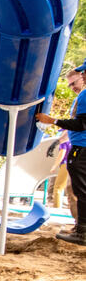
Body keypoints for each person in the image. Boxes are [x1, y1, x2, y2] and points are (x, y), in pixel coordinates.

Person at [36, 62, 86, 245]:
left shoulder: (85, 96)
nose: (83, 77)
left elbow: (81, 124)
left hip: (82, 149)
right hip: (79, 146)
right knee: (76, 190)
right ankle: (80, 227)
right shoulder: (82, 96)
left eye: (83, 74)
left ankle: (81, 232)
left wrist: (53, 120)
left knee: (80, 191)